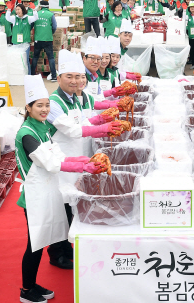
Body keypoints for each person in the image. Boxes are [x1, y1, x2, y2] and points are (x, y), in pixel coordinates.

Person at [16, 74, 104, 303]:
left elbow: (58, 153)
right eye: (39, 106)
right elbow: (51, 163)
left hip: (47, 189)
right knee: (34, 245)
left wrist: (83, 162)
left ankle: (32, 284)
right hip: (34, 195)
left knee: (43, 239)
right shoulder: (27, 134)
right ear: (28, 107)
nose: (45, 110)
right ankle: (26, 290)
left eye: (47, 105)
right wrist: (82, 166)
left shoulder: (43, 127)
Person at [44, 51, 120, 271]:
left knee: (73, 206)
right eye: (69, 76)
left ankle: (67, 248)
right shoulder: (53, 102)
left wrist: (101, 119)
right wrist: (101, 128)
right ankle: (56, 253)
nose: (75, 81)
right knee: (61, 207)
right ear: (59, 78)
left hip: (79, 158)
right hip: (64, 160)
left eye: (78, 77)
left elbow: (85, 120)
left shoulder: (77, 97)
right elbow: (71, 129)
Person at [33, 0, 58, 80]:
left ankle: (32, 75)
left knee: (35, 57)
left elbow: (32, 25)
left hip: (38, 39)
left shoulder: (36, 14)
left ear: (40, 7)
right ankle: (54, 76)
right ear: (48, 7)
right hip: (47, 39)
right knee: (50, 57)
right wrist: (50, 33)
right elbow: (54, 26)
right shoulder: (51, 15)